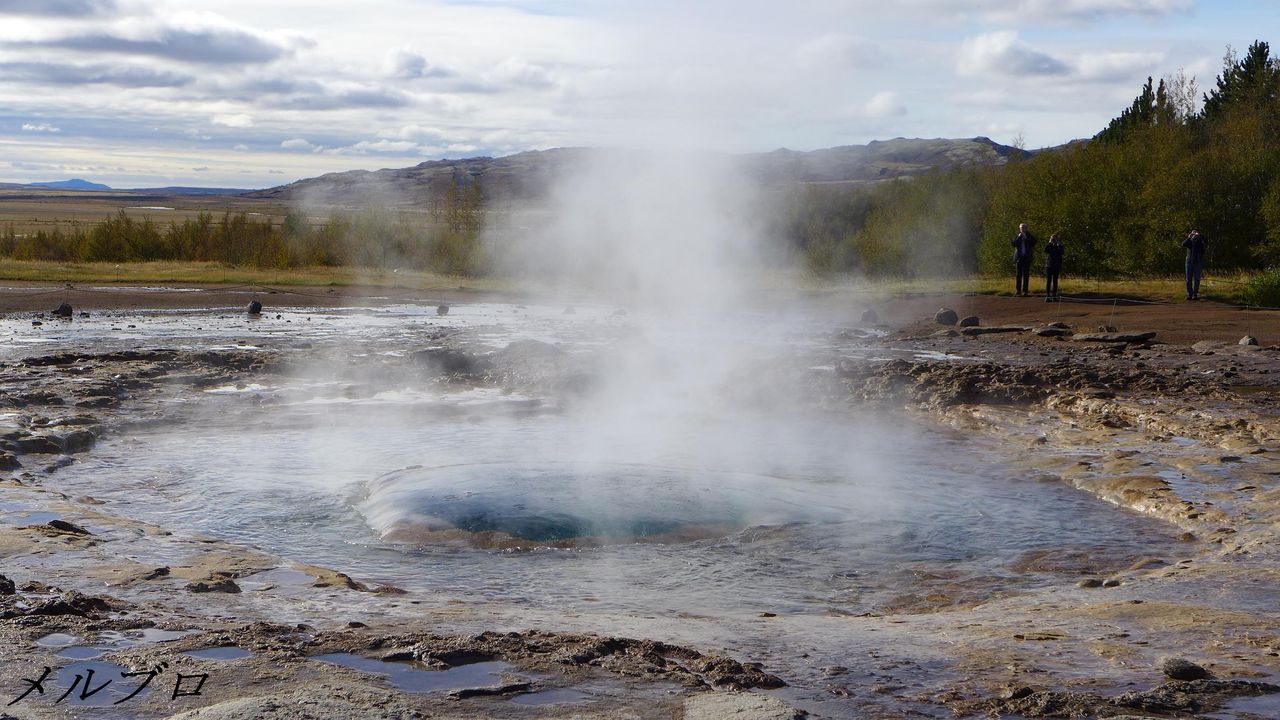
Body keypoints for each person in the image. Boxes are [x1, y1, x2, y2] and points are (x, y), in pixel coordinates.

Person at [1182, 229, 1208, 300]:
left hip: (1198, 262)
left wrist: (1200, 235)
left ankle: (1195, 294)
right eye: (1193, 234)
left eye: (1195, 234)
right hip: (1189, 262)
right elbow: (1183, 244)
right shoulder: (1189, 241)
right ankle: (1189, 294)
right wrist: (1189, 237)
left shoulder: (1200, 241)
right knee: (1188, 279)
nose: (1194, 236)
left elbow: (1206, 242)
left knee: (1197, 279)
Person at [1011, 223, 1036, 296]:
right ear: (1019, 228)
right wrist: (1019, 237)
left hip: (1027, 258)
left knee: (1026, 275)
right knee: (1018, 275)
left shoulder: (1029, 235)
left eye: (1024, 228)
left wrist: (1027, 237)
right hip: (1019, 258)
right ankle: (1018, 290)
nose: (1023, 229)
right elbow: (1013, 244)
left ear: (1026, 228)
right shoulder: (1017, 236)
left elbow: (1034, 242)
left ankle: (1025, 291)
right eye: (1021, 228)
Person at [1044, 233, 1064, 301]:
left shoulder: (1059, 245)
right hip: (1049, 265)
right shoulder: (1049, 245)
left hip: (1056, 265)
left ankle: (1054, 295)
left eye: (1055, 239)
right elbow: (1045, 250)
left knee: (1055, 281)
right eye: (1053, 238)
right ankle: (1047, 295)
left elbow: (1062, 252)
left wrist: (1058, 245)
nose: (1054, 240)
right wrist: (1049, 242)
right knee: (1048, 281)